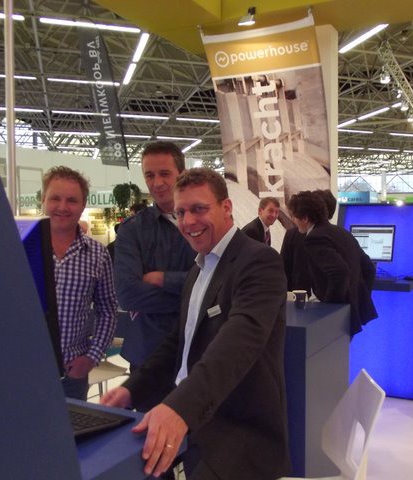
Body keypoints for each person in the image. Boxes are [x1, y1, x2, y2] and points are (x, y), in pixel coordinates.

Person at [102, 168, 291, 480]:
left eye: (199, 209)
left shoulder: (258, 261)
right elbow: (180, 341)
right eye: (181, 212)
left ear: (226, 207)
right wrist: (132, 389)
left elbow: (237, 343)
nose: (188, 221)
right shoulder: (199, 267)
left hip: (238, 433)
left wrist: (181, 407)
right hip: (198, 423)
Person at [114, 142, 196, 371]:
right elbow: (127, 294)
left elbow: (219, 280)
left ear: (182, 174)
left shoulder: (204, 224)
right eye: (149, 175)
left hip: (198, 350)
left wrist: (162, 279)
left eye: (165, 174)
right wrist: (196, 296)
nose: (157, 183)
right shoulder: (132, 230)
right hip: (148, 355)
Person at [41, 166, 118, 400]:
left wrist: (92, 357)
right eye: (55, 198)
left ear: (83, 205)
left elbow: (108, 310)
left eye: (72, 200)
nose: (62, 207)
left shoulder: (97, 254)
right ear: (43, 200)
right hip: (22, 368)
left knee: (73, 425)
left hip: (71, 375)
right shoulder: (20, 248)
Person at [287, 190, 377, 336]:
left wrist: (329, 308)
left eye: (294, 216)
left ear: (305, 218)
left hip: (336, 317)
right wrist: (358, 299)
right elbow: (369, 268)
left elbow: (340, 272)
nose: (293, 221)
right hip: (351, 313)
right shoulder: (342, 232)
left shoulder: (314, 238)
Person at [281, 189, 336, 294]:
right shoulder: (337, 235)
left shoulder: (293, 234)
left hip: (300, 294)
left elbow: (284, 268)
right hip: (311, 295)